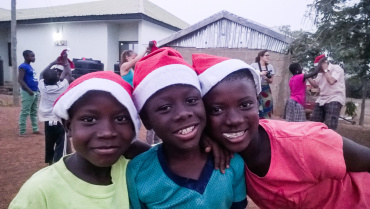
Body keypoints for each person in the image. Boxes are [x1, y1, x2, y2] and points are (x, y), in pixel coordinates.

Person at [192, 53, 370, 209]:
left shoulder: (305, 142)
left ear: (258, 103)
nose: (234, 120)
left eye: (245, 105)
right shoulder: (224, 157)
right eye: (216, 109)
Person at [126, 48, 247, 208]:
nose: (183, 114)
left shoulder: (231, 162)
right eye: (165, 107)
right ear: (146, 120)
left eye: (191, 100)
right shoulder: (138, 173)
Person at [9, 71, 140, 208]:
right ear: (68, 127)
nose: (107, 133)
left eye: (121, 119)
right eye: (89, 119)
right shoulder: (40, 192)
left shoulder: (139, 173)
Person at [38, 59, 73, 165]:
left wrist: (52, 62)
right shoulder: (62, 87)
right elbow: (69, 74)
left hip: (47, 120)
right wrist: (66, 61)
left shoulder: (42, 87)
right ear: (57, 78)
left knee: (49, 141)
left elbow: (41, 74)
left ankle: (49, 160)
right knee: (61, 142)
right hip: (59, 119)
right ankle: (58, 162)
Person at [307, 54, 346, 130]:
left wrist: (325, 70)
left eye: (319, 67)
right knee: (313, 124)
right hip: (322, 99)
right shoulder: (320, 73)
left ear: (324, 64)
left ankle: (329, 140)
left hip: (334, 98)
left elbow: (331, 81)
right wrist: (307, 76)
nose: (318, 70)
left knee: (330, 125)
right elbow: (315, 85)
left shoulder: (336, 68)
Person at [18, 50, 41, 136]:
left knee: (34, 111)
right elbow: (20, 80)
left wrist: (36, 90)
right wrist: (29, 90)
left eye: (34, 56)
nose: (33, 58)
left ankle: (35, 129)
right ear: (26, 57)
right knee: (25, 111)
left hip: (35, 91)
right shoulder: (23, 67)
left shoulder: (30, 67)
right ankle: (22, 131)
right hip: (28, 92)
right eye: (32, 56)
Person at [250, 50, 275, 119]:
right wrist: (259, 74)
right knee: (255, 105)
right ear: (261, 56)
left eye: (268, 55)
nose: (268, 57)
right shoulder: (253, 65)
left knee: (267, 104)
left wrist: (265, 78)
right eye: (266, 55)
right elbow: (249, 76)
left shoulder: (270, 67)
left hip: (266, 89)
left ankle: (266, 123)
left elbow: (271, 81)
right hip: (256, 88)